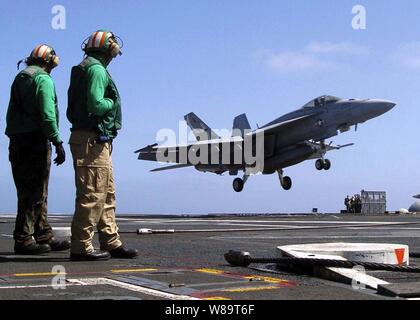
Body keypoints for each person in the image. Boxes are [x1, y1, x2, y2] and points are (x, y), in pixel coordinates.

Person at [67, 30, 138, 261]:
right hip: (92, 141)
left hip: (96, 141)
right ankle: (81, 247)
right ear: (108, 48)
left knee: (106, 194)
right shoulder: (96, 69)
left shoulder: (85, 67)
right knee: (92, 194)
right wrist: (111, 102)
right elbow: (97, 105)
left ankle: (111, 241)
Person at [5, 45, 69, 255]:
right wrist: (57, 141)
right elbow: (47, 114)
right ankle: (23, 239)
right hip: (35, 141)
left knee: (30, 190)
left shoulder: (21, 77)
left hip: (17, 141)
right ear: (49, 61)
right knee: (35, 192)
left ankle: (43, 235)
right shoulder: (43, 79)